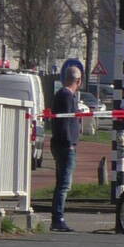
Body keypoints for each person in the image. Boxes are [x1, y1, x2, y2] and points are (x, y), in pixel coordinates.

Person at [50, 65, 81, 232]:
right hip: (65, 146)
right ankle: (58, 218)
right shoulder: (66, 96)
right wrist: (69, 143)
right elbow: (64, 122)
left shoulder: (64, 95)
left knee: (61, 182)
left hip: (62, 144)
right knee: (64, 184)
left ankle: (57, 217)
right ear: (78, 81)